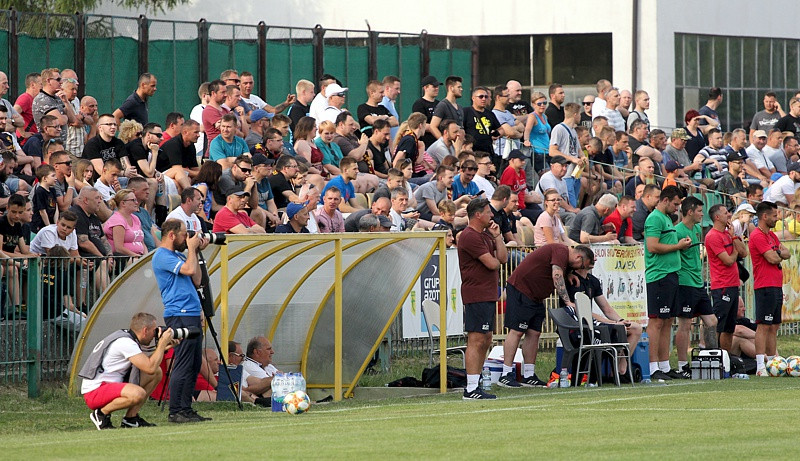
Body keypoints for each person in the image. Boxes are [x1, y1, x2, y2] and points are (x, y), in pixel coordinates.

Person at [152, 219, 211, 423]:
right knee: (183, 362)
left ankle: (186, 408)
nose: (187, 238)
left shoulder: (178, 255)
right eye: (184, 234)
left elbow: (197, 279)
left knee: (194, 364)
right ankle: (175, 410)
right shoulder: (162, 255)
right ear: (171, 235)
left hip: (191, 312)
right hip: (179, 313)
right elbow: (188, 270)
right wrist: (192, 249)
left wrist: (196, 251)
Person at [79, 312, 175, 430]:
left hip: (108, 386)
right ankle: (101, 414)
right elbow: (149, 367)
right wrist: (161, 344)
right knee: (138, 393)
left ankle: (130, 419)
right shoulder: (126, 342)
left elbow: (149, 366)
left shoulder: (126, 338)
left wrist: (163, 348)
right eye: (154, 331)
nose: (155, 335)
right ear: (145, 330)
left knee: (157, 372)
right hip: (95, 391)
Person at [458, 198, 507, 399]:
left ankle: (475, 382)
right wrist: (494, 259)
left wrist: (497, 237)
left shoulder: (486, 234)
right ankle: (470, 388)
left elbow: (503, 258)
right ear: (478, 215)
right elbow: (492, 264)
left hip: (487, 293)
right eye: (488, 212)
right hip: (476, 293)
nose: (492, 215)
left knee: (486, 339)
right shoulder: (469, 236)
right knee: (476, 339)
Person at [644, 186, 692, 382]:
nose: (677, 208)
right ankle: (652, 366)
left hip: (671, 275)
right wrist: (677, 246)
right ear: (665, 200)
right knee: (656, 321)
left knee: (667, 320)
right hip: (659, 276)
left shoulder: (666, 219)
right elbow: (652, 246)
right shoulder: (654, 218)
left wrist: (680, 246)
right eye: (675, 204)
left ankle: (664, 365)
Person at [673, 196, 720, 379]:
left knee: (712, 321)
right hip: (685, 283)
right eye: (700, 211)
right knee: (685, 324)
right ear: (690, 211)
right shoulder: (678, 231)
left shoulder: (695, 230)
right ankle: (682, 365)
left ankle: (710, 357)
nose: (702, 214)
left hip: (697, 282)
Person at [749, 202, 791, 376]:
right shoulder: (757, 236)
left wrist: (779, 254)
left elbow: (787, 253)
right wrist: (779, 254)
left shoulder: (772, 236)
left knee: (774, 326)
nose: (777, 219)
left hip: (775, 285)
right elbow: (773, 258)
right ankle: (760, 366)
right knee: (763, 326)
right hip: (764, 285)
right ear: (764, 216)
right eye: (774, 216)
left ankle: (774, 363)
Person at [705, 204, 748, 355]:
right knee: (718, 324)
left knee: (729, 327)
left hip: (733, 284)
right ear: (717, 217)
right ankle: (712, 355)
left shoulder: (728, 233)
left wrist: (734, 236)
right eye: (725, 213)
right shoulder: (712, 236)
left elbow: (744, 253)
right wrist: (735, 251)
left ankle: (726, 358)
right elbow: (728, 260)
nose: (729, 215)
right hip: (722, 286)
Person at [103, 189, 146, 259]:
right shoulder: (117, 220)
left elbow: (142, 242)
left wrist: (146, 257)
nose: (137, 202)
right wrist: (138, 257)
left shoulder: (135, 218)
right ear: (123, 203)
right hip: (123, 258)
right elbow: (119, 248)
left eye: (136, 200)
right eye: (133, 200)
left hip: (138, 257)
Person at [241, 336, 280, 402]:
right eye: (268, 349)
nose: (272, 352)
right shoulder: (249, 365)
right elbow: (264, 384)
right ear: (257, 352)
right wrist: (276, 378)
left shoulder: (268, 366)